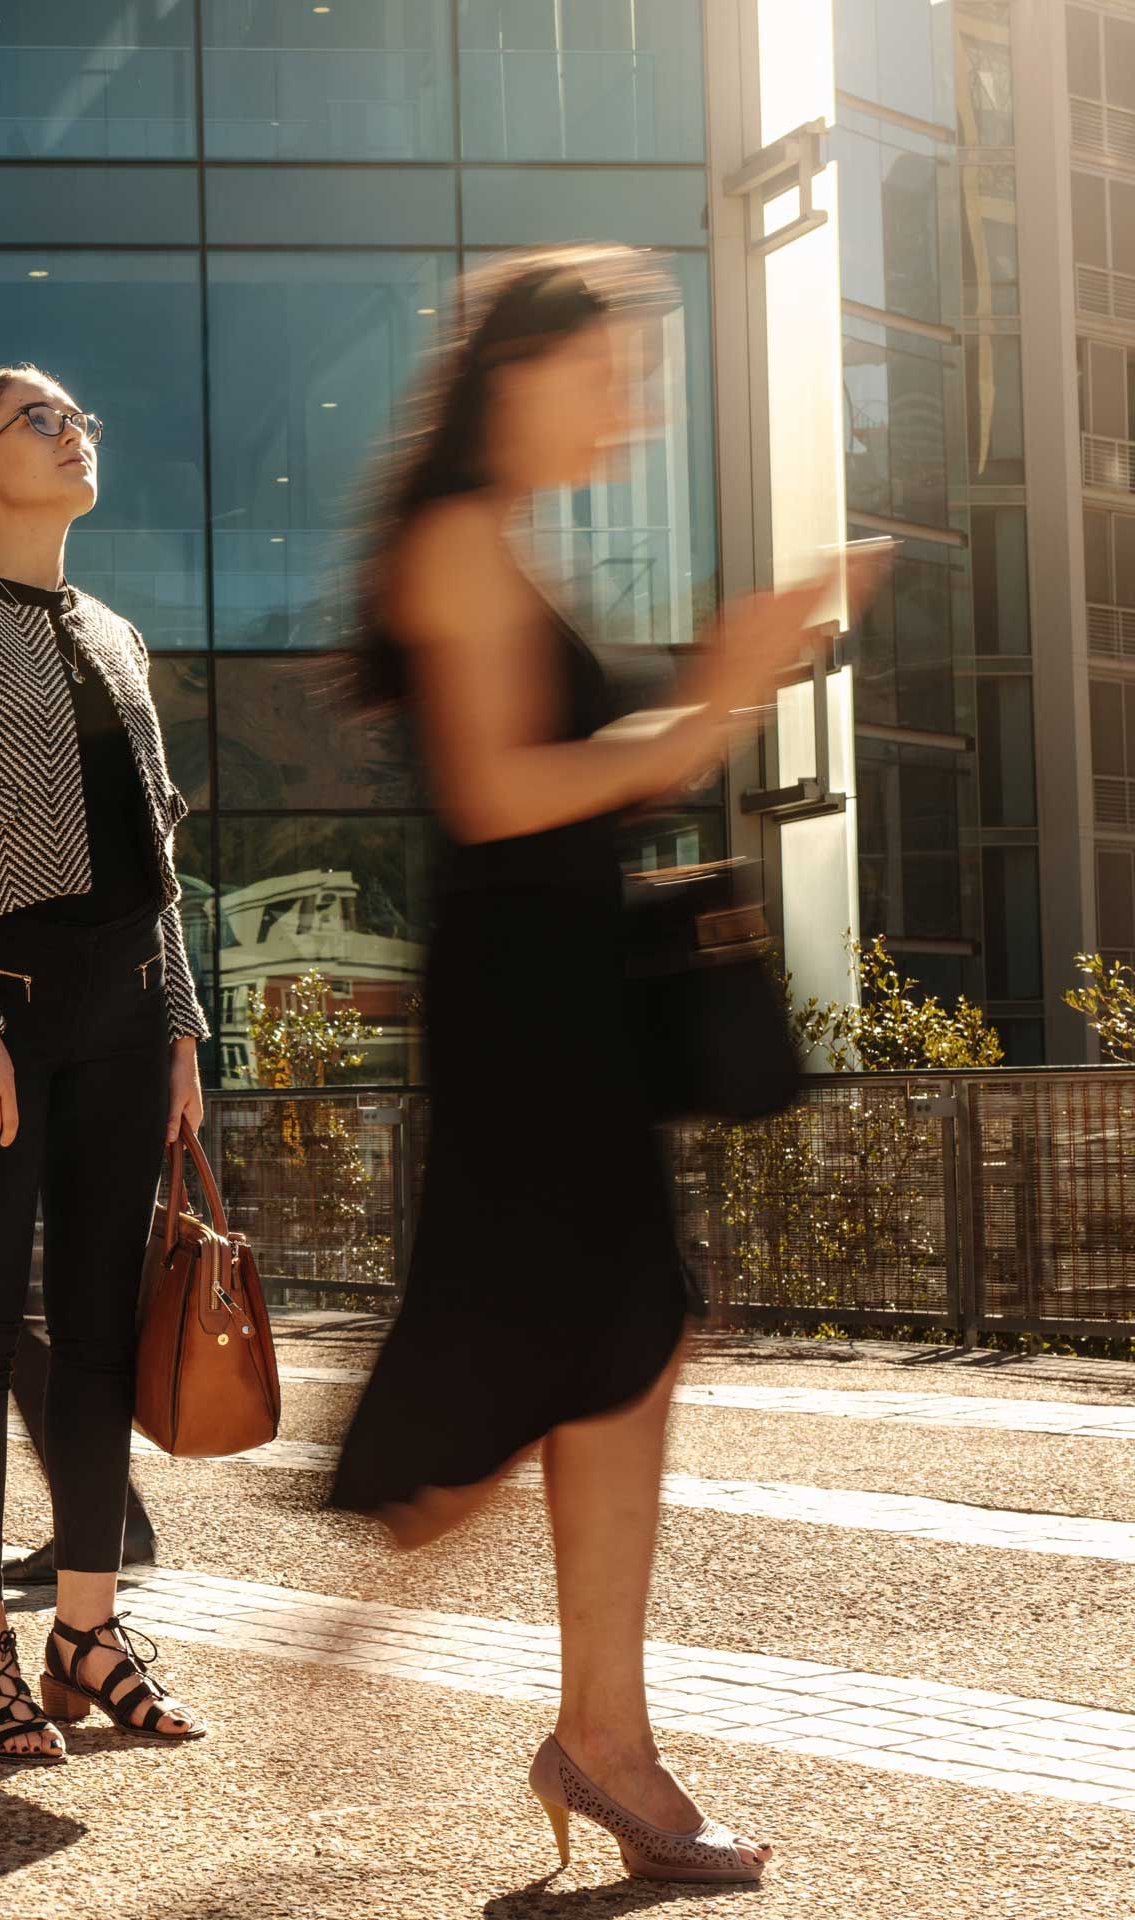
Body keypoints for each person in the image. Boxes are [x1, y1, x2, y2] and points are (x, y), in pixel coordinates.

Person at [328, 248, 827, 1885]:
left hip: (564, 1014)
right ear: (519, 374)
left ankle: (602, 1740)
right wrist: (709, 704)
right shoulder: (458, 540)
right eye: (612, 375)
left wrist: (704, 704)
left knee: (631, 1345)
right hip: (526, 1027)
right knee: (511, 1408)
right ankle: (392, 1508)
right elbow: (494, 791)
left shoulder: (510, 547)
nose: (635, 410)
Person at [0, 365, 208, 1762]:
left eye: (83, 415)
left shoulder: (114, 634)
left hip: (129, 1015)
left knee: (102, 1329)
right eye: (45, 422)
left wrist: (184, 1025)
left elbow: (162, 858)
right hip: (0, 1017)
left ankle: (86, 1628)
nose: (79, 434)